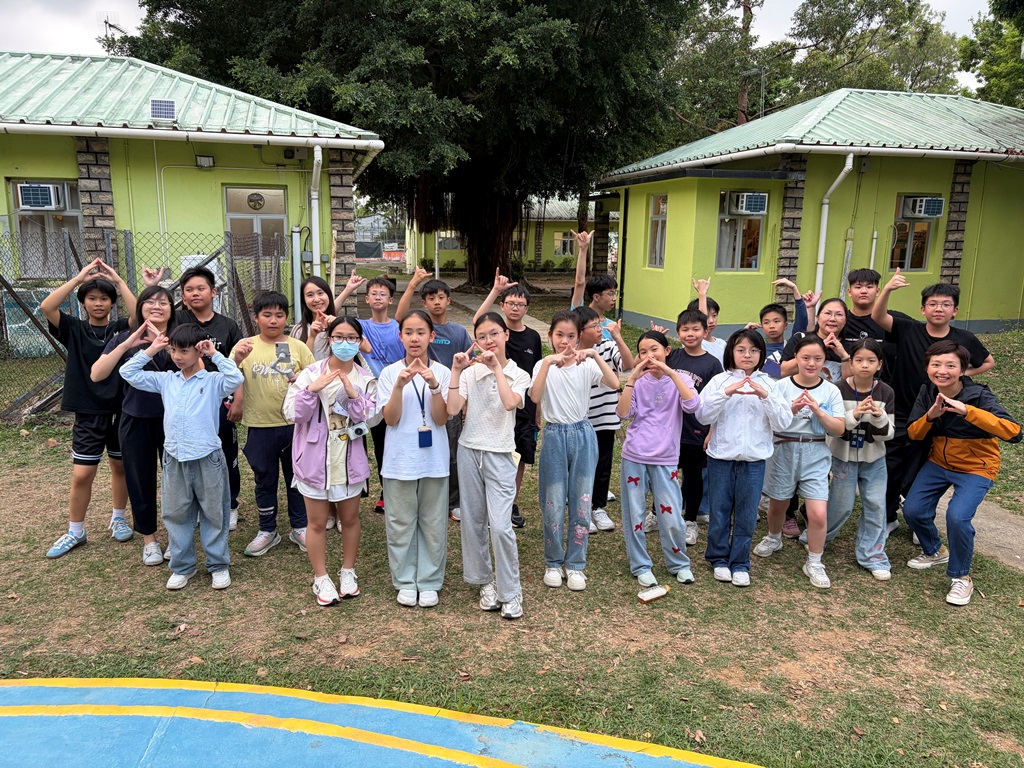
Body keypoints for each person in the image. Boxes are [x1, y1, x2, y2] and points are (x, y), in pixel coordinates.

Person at [119, 323, 243, 590]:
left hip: (207, 457)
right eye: (173, 350)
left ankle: (218, 565)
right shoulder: (167, 380)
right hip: (174, 458)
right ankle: (182, 566)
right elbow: (127, 372)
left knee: (214, 513)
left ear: (198, 351)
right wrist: (152, 350)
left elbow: (235, 379)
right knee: (176, 514)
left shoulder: (212, 381)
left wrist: (214, 354)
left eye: (184, 351)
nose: (177, 356)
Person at [871, 272, 995, 536]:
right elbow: (878, 316)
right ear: (923, 309)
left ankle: (920, 519)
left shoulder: (964, 339)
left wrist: (961, 375)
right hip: (902, 412)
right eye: (933, 304)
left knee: (923, 467)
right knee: (891, 465)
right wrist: (888, 289)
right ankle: (888, 516)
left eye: (946, 304)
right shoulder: (908, 329)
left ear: (955, 310)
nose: (939, 308)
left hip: (940, 415)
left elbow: (988, 362)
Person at [903, 340, 1020, 606]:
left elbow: (1013, 432)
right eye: (936, 364)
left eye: (950, 365)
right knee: (913, 510)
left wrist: (968, 411)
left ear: (963, 369)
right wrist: (931, 416)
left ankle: (961, 577)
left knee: (957, 517)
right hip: (938, 463)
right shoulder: (927, 391)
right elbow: (913, 434)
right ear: (927, 368)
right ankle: (935, 550)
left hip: (977, 467)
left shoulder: (979, 396)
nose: (942, 371)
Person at [42, 258, 138, 558]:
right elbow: (47, 306)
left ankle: (118, 519)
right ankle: (75, 531)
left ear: (112, 303)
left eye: (104, 298)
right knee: (83, 474)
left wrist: (118, 281)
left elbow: (139, 315)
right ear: (83, 302)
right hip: (88, 411)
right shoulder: (73, 328)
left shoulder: (121, 329)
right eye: (92, 298)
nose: (98, 303)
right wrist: (78, 279)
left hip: (121, 409)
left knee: (120, 467)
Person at [284, 317, 379, 606]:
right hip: (314, 462)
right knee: (316, 523)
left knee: (350, 519)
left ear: (359, 342)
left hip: (348, 461)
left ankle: (348, 571)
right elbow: (292, 413)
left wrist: (353, 395)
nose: (344, 343)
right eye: (338, 337)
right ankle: (321, 576)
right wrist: (311, 390)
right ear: (329, 339)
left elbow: (371, 419)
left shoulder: (365, 378)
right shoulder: (311, 373)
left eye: (351, 338)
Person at [447, 312, 531, 619]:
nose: (488, 341)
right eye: (481, 337)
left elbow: (510, 404)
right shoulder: (469, 373)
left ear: (506, 335)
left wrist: (496, 368)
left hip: (500, 453)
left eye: (494, 334)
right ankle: (484, 581)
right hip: (469, 450)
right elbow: (453, 409)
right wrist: (456, 371)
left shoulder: (519, 374)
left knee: (501, 525)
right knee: (472, 521)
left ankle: (511, 591)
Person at [530, 310, 619, 592]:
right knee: (553, 504)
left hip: (583, 434)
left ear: (579, 337)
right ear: (550, 336)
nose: (565, 342)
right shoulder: (542, 365)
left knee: (582, 503)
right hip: (554, 436)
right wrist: (547, 363)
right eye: (559, 335)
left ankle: (576, 564)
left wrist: (593, 355)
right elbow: (534, 396)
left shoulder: (587, 364)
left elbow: (615, 383)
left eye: (571, 336)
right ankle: (553, 562)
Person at [696, 329, 792, 586]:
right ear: (731, 352)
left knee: (747, 513)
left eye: (753, 350)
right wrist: (726, 393)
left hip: (754, 460)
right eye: (741, 350)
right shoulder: (719, 381)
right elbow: (702, 415)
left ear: (761, 354)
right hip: (721, 457)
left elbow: (783, 422)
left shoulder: (770, 383)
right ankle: (718, 558)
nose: (747, 355)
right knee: (719, 510)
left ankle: (740, 562)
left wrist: (765, 396)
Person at [91, 284, 177, 565]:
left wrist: (166, 346)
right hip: (135, 418)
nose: (156, 307)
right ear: (140, 308)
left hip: (175, 420)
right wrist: (128, 345)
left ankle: (177, 536)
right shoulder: (125, 337)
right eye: (150, 302)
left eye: (163, 302)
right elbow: (97, 374)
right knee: (140, 479)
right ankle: (149, 540)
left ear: (172, 309)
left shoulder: (181, 336)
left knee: (177, 479)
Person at [798, 339, 895, 580]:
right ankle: (815, 538)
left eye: (871, 361)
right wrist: (855, 414)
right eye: (859, 360)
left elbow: (888, 433)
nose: (864, 365)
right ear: (850, 363)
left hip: (874, 459)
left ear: (879, 364)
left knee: (876, 505)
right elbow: (832, 429)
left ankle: (873, 555)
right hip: (843, 457)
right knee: (841, 505)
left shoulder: (885, 391)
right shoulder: (837, 389)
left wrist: (879, 416)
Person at [755, 336, 846, 589]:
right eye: (805, 358)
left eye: (818, 358)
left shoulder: (831, 390)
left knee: (818, 512)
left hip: (816, 452)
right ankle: (774, 537)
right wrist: (792, 410)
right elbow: (770, 423)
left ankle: (815, 562)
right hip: (783, 449)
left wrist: (818, 411)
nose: (811, 363)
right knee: (778, 505)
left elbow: (839, 429)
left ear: (824, 360)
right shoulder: (781, 386)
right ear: (795, 358)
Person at [377, 309, 452, 608]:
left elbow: (441, 419)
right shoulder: (389, 373)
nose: (414, 338)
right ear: (400, 337)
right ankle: (406, 580)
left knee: (433, 523)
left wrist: (434, 387)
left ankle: (430, 580)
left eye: (421, 332)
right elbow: (391, 419)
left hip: (434, 460)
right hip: (399, 461)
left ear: (432, 336)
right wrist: (399, 386)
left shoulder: (443, 372)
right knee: (400, 523)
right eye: (408, 332)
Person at [232, 291, 316, 557]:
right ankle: (267, 529)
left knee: (296, 479)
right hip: (259, 426)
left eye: (279, 315)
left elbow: (316, 378)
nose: (273, 320)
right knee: (264, 479)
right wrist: (236, 361)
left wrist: (302, 379)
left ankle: (300, 526)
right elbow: (230, 377)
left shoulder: (298, 347)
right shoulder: (245, 346)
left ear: (286, 318)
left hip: (295, 426)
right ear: (255, 317)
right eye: (267, 315)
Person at [617, 331, 699, 587]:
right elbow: (623, 413)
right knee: (635, 515)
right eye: (643, 352)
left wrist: (671, 374)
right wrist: (632, 379)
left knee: (672, 515)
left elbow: (693, 405)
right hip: (634, 455)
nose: (649, 356)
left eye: (654, 349)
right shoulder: (639, 381)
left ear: (667, 351)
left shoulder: (681, 378)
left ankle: (679, 563)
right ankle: (641, 565)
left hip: (666, 458)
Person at [292, 272, 370, 531]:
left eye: (321, 293)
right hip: (316, 395)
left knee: (346, 448)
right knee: (320, 452)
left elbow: (366, 348)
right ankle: (325, 509)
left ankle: (342, 508)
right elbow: (302, 360)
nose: (316, 299)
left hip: (346, 390)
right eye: (310, 295)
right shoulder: (300, 329)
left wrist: (338, 321)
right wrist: (313, 335)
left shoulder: (340, 325)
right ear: (303, 300)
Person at [396, 269, 472, 522]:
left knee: (452, 451)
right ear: (424, 302)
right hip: (416, 398)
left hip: (448, 397)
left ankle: (453, 501)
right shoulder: (415, 329)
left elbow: (467, 366)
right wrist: (413, 283)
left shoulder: (458, 332)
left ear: (449, 300)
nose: (437, 302)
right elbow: (399, 318)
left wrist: (464, 399)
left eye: (441, 297)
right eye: (431, 298)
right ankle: (422, 497)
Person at [176, 265, 244, 531]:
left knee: (226, 453)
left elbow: (239, 365)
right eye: (189, 290)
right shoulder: (177, 321)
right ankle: (196, 506)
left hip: (220, 400)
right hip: (188, 401)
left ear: (213, 292)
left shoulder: (227, 325)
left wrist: (238, 399)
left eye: (201, 288)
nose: (195, 293)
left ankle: (230, 504)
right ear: (183, 295)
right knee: (192, 455)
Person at [473, 270, 543, 528]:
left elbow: (536, 375)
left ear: (527, 308)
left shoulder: (533, 337)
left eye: (520, 304)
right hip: (495, 405)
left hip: (523, 405)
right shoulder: (495, 334)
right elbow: (478, 321)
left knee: (520, 454)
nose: (515, 308)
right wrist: (494, 290)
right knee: (494, 453)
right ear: (502, 306)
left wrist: (537, 411)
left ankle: (511, 503)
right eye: (510, 303)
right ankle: (490, 502)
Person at [660, 309, 724, 544]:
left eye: (696, 329)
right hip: (668, 429)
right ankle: (658, 512)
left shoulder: (713, 364)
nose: (690, 334)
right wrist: (657, 340)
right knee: (664, 473)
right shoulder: (672, 357)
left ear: (705, 331)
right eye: (685, 329)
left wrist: (711, 431)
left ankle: (690, 520)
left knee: (694, 475)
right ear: (678, 333)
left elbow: (717, 402)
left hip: (696, 430)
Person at [575, 306, 633, 533]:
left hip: (606, 419)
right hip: (581, 421)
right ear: (580, 332)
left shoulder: (607, 347)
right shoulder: (572, 353)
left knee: (602, 466)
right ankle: (582, 509)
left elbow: (627, 365)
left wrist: (618, 338)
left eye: (599, 325)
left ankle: (598, 507)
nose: (600, 329)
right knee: (581, 467)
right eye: (594, 326)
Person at [358, 275, 406, 515]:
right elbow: (332, 315)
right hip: (375, 395)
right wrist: (348, 288)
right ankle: (386, 492)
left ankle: (402, 490)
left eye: (383, 294)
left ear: (391, 300)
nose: (378, 297)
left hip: (399, 390)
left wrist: (414, 283)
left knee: (401, 441)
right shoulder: (361, 326)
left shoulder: (399, 327)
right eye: (373, 294)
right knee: (380, 444)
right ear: (367, 299)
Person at [841, 268, 900, 384]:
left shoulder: (892, 321)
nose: (864, 291)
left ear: (877, 291)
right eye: (858, 287)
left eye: (869, 287)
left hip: (886, 388)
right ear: (849, 292)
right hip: (847, 388)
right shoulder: (840, 321)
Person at [779, 298, 850, 382]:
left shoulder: (850, 347)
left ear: (845, 320)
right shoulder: (801, 338)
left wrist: (844, 357)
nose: (832, 319)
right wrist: (818, 349)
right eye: (828, 313)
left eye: (839, 314)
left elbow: (850, 382)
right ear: (818, 318)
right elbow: (784, 371)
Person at [570, 230, 618, 340]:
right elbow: (580, 282)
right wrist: (583, 249)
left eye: (615, 293)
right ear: (596, 297)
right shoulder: (579, 314)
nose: (614, 298)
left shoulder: (612, 326)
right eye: (610, 294)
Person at [689, 278, 725, 363]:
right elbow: (701, 321)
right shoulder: (692, 341)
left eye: (714, 315)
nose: (711, 320)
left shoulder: (722, 344)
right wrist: (702, 294)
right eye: (707, 316)